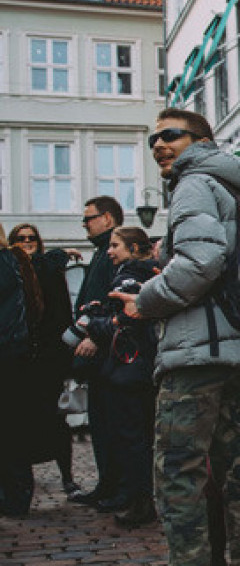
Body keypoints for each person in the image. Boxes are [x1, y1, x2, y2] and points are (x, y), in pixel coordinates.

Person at [110, 107, 240, 563]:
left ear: (201, 142)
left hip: (196, 355)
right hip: (236, 349)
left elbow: (201, 263)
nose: (159, 144)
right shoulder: (234, 187)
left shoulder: (194, 184)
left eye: (171, 135)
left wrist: (144, 300)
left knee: (178, 474)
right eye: (154, 140)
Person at [81, 226, 159, 528]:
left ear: (134, 248)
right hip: (134, 368)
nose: (110, 251)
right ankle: (136, 498)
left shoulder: (131, 277)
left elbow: (127, 322)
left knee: (131, 438)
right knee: (135, 437)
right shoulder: (144, 273)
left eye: (115, 245)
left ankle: (139, 501)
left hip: (130, 367)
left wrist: (95, 324)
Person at [8, 224, 82, 498]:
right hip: (19, 362)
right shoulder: (11, 269)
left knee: (55, 421)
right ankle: (22, 482)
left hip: (47, 361)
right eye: (20, 239)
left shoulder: (49, 267)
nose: (27, 242)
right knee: (20, 423)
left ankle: (67, 477)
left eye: (31, 238)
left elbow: (62, 311)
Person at [70, 196, 125, 510]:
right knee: (101, 423)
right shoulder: (101, 252)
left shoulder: (110, 253)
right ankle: (107, 485)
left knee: (110, 424)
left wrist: (95, 335)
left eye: (88, 218)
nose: (84, 223)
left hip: (106, 351)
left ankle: (115, 487)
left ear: (106, 218)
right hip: (98, 351)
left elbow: (109, 301)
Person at [0, 225, 43, 516]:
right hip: (14, 352)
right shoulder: (12, 262)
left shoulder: (6, 262)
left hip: (8, 353)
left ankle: (14, 497)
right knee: (12, 427)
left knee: (10, 428)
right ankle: (16, 496)